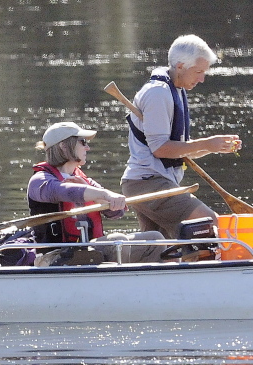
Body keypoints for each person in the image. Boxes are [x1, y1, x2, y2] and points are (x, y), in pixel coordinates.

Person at [120, 34, 242, 237]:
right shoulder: (158, 93)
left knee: (160, 247)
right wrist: (206, 143)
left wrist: (214, 147)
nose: (202, 79)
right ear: (180, 66)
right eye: (198, 72)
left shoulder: (175, 89)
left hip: (152, 182)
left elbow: (178, 151)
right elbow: (161, 149)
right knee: (210, 223)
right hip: (147, 183)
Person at [29, 121, 165, 264]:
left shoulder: (85, 181)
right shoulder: (39, 181)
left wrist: (102, 199)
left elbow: (117, 213)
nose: (87, 147)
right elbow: (65, 192)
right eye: (82, 142)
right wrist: (103, 194)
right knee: (118, 241)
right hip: (54, 257)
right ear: (63, 146)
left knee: (155, 239)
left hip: (86, 251)